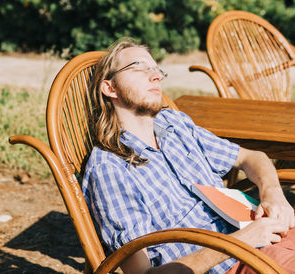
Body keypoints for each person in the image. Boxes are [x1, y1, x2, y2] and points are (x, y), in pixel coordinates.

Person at [82, 38, 295, 273]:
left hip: (267, 238)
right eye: (139, 67)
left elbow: (252, 158)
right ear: (110, 88)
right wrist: (241, 241)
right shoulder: (110, 168)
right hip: (235, 264)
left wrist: (273, 194)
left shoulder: (174, 124)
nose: (155, 76)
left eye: (156, 69)